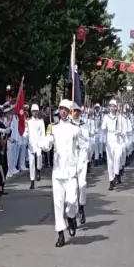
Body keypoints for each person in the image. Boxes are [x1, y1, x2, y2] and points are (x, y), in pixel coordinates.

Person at [43, 100, 84, 248]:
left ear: (70, 111)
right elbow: (48, 144)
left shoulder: (75, 128)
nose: (63, 111)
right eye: (61, 109)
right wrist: (45, 144)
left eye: (66, 109)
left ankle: (71, 217)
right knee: (58, 203)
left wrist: (80, 165)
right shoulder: (53, 128)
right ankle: (60, 233)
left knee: (72, 201)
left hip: (71, 171)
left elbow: (83, 147)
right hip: (58, 171)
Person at [101, 100, 124, 190]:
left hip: (118, 141)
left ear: (116, 107)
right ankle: (111, 181)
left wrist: (120, 133)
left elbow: (123, 132)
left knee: (117, 158)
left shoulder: (120, 118)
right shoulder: (106, 117)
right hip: (109, 141)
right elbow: (103, 127)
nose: (112, 107)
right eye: (111, 106)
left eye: (114, 106)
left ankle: (116, 173)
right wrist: (103, 128)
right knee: (110, 162)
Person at [24, 104, 46, 189]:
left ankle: (39, 170)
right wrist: (24, 134)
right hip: (31, 144)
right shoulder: (28, 121)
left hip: (39, 143)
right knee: (31, 163)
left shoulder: (41, 121)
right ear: (31, 112)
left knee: (39, 156)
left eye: (36, 111)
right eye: (33, 111)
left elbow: (43, 133)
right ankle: (32, 181)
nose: (34, 113)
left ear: (38, 112)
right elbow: (26, 131)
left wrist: (43, 142)